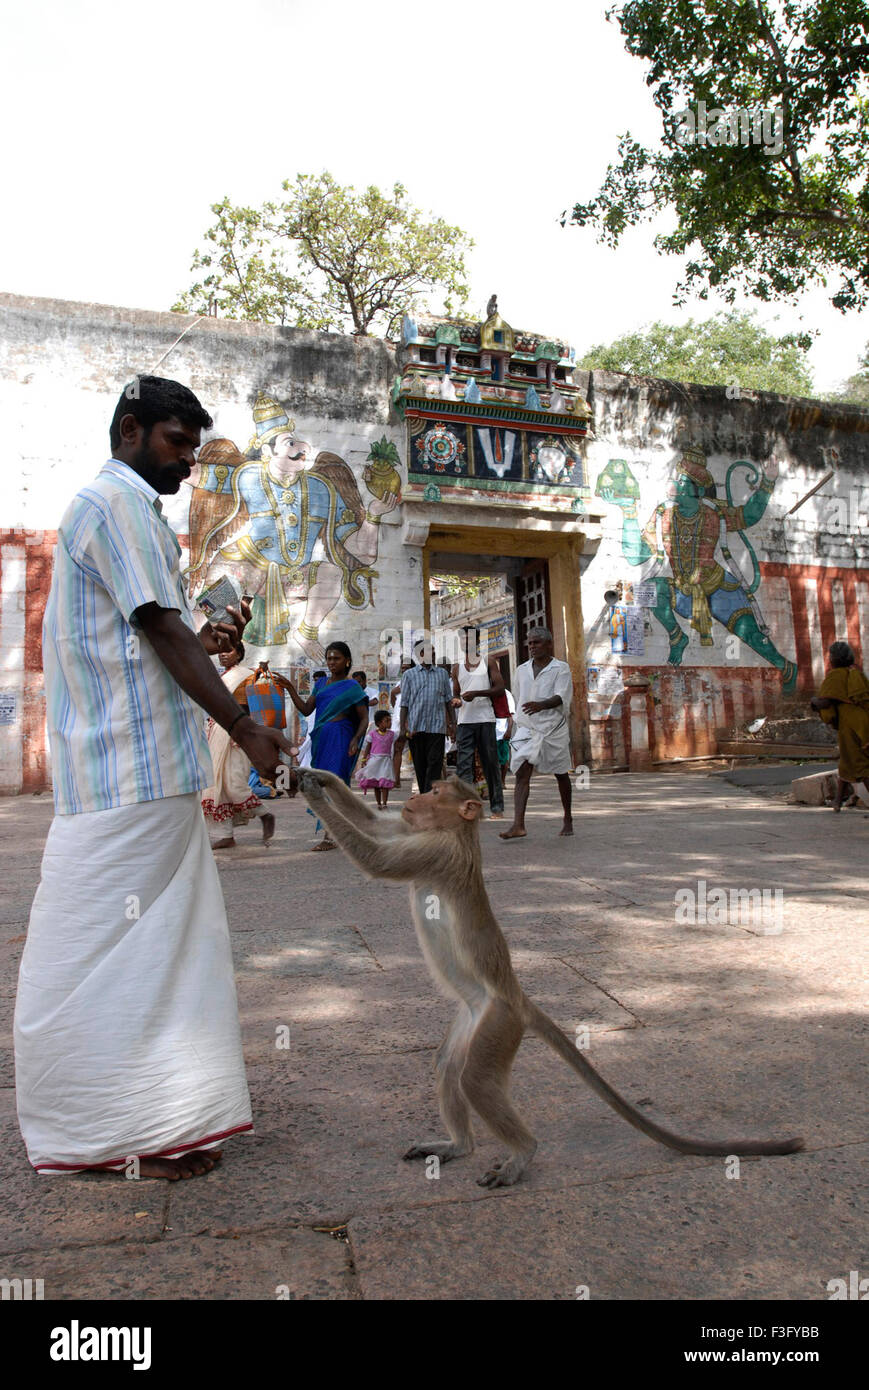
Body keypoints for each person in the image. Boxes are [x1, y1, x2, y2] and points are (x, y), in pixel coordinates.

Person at [14, 375, 292, 1180]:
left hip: (136, 774)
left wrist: (210, 636)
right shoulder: (117, 503)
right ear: (131, 430)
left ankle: (150, 1123)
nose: (187, 467)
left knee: (154, 955)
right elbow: (158, 627)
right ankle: (105, 1136)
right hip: (121, 774)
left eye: (195, 453)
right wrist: (241, 723)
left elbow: (159, 636)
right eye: (177, 445)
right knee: (106, 956)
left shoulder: (127, 511)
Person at [277, 641, 369, 850]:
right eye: (329, 658)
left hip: (341, 737)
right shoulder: (321, 684)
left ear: (347, 661)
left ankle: (331, 836)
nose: (331, 662)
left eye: (336, 658)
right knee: (321, 783)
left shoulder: (352, 686)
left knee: (335, 784)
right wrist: (290, 687)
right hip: (322, 739)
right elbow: (307, 709)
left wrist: (355, 739)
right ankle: (342, 830)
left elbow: (364, 718)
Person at [201, 643, 279, 849]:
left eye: (228, 650)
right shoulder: (223, 676)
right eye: (220, 651)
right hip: (217, 732)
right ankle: (226, 834)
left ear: (240, 654)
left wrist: (245, 734)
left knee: (235, 784)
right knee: (218, 784)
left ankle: (265, 814)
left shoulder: (246, 676)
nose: (223, 654)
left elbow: (254, 709)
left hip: (237, 734)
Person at [500, 626, 574, 840]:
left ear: (548, 644)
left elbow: (562, 696)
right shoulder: (521, 669)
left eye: (537, 642)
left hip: (553, 728)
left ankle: (568, 817)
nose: (532, 646)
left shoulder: (561, 668)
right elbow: (518, 696)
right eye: (530, 643)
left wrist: (542, 705)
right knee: (522, 772)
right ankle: (518, 825)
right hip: (527, 727)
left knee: (561, 773)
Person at [451, 628, 506, 818]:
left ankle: (497, 807)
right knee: (463, 765)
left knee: (490, 764)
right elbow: (456, 693)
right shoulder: (457, 668)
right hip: (465, 721)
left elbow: (500, 688)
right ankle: (468, 806)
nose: (465, 642)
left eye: (469, 639)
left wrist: (477, 694)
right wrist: (456, 700)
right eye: (462, 639)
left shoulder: (488, 661)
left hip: (485, 719)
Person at [811, 640, 869, 809]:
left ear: (834, 659)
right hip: (863, 722)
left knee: (860, 766)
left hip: (851, 726)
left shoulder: (836, 675)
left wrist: (813, 701)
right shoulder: (856, 672)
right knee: (847, 762)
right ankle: (837, 801)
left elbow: (825, 702)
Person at [399, 640, 456, 795]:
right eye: (430, 651)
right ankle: (426, 797)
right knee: (420, 767)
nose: (434, 654)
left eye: (434, 651)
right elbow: (404, 703)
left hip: (437, 728)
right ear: (421, 654)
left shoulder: (442, 674)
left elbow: (448, 701)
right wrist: (403, 729)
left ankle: (427, 797)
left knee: (435, 764)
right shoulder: (409, 675)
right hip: (415, 728)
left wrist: (453, 725)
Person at [357, 709, 397, 808]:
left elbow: (399, 742)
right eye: (387, 721)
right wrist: (363, 760)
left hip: (386, 761)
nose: (390, 723)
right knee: (376, 784)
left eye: (390, 720)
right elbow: (368, 748)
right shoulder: (372, 735)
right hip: (374, 761)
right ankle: (378, 803)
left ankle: (384, 803)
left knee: (385, 783)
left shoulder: (392, 735)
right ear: (379, 723)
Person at [389, 658, 413, 787]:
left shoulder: (415, 681)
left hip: (412, 720)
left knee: (416, 751)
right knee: (397, 749)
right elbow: (393, 697)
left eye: (407, 668)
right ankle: (396, 779)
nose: (404, 670)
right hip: (398, 721)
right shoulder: (400, 682)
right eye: (403, 668)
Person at [297, 668, 327, 768]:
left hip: (324, 723)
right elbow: (306, 712)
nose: (316, 683)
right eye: (315, 681)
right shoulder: (314, 693)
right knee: (310, 745)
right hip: (312, 723)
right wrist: (303, 733)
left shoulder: (328, 692)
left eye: (318, 680)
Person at [496, 686, 516, 787]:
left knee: (504, 759)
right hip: (489, 730)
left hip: (502, 731)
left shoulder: (506, 694)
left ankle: (502, 781)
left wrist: (509, 730)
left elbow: (511, 714)